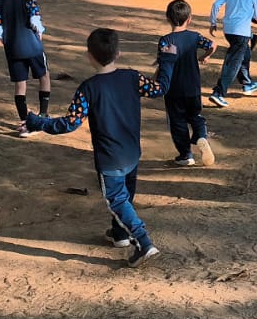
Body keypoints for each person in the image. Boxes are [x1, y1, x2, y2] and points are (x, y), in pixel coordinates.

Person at [20, 27, 171, 267]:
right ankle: (120, 234)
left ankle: (143, 242)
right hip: (132, 152)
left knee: (117, 199)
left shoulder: (88, 89)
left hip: (110, 159)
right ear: (118, 53)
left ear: (89, 55)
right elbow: (160, 89)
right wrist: (168, 61)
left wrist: (37, 122)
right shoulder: (133, 77)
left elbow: (69, 124)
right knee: (126, 194)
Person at [158, 0, 217, 166]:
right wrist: (206, 56)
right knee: (195, 116)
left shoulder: (166, 41)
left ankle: (186, 155)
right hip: (193, 87)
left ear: (168, 18)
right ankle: (200, 136)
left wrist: (156, 81)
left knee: (177, 121)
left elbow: (164, 63)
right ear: (189, 19)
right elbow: (212, 44)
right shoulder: (194, 37)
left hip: (173, 89)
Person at [0, 0, 51, 126]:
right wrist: (40, 32)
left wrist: (6, 40)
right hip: (32, 46)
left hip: (12, 48)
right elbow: (34, 19)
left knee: (20, 84)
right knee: (44, 76)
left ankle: (24, 121)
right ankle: (43, 112)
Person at [208, 0, 257, 107]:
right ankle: (218, 92)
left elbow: (216, 4)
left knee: (244, 54)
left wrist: (213, 23)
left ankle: (247, 83)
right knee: (233, 62)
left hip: (228, 30)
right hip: (242, 31)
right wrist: (251, 13)